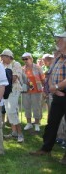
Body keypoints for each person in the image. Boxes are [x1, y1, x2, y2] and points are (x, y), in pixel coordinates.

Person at [29, 32, 66, 165]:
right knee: (52, 123)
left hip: (61, 92)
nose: (57, 42)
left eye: (60, 40)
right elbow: (50, 75)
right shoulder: (58, 58)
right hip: (58, 95)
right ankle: (46, 148)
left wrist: (55, 87)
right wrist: (53, 87)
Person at [0, 49, 24, 143]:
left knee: (12, 111)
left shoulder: (15, 64)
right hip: (5, 91)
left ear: (8, 57)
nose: (1, 58)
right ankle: (14, 132)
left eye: (3, 56)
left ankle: (20, 134)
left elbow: (14, 78)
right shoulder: (1, 65)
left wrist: (3, 83)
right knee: (9, 112)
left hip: (14, 90)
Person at [22, 52, 45, 132]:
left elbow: (43, 79)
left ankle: (37, 124)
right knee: (26, 107)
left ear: (31, 59)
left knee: (36, 107)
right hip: (26, 91)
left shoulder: (38, 67)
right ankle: (29, 123)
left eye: (26, 58)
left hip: (37, 90)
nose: (25, 60)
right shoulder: (22, 69)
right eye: (23, 59)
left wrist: (45, 89)